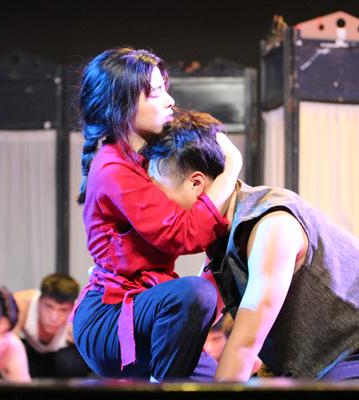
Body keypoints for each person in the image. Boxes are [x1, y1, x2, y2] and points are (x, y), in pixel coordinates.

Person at [144, 109, 359, 382]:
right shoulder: (221, 235)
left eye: (157, 191)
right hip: (334, 360)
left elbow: (245, 346)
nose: (151, 206)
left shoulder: (270, 227)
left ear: (196, 184)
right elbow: (199, 316)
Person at [71, 47, 242, 382]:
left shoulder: (147, 159)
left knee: (216, 384)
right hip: (109, 317)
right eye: (155, 93)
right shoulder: (112, 168)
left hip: (149, 310)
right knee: (196, 294)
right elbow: (180, 234)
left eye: (166, 89)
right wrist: (232, 164)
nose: (169, 101)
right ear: (121, 107)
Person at [13, 273, 92, 378]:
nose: (54, 317)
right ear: (39, 301)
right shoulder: (21, 304)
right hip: (34, 359)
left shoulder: (80, 317)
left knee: (70, 362)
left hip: (63, 362)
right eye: (49, 306)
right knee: (13, 354)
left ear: (73, 307)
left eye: (63, 310)